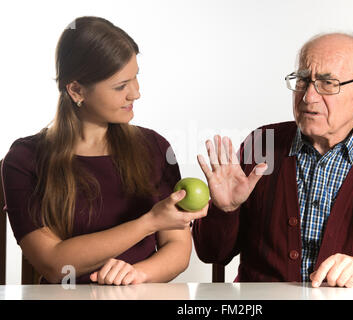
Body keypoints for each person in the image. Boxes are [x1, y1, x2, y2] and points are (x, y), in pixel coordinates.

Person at [193, 32, 353, 287]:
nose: (309, 97)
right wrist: (225, 210)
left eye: (328, 83)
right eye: (302, 80)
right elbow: (212, 253)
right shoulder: (261, 145)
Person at [1, 16, 207, 285]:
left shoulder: (154, 147)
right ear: (76, 90)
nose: (136, 93)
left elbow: (177, 249)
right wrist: (148, 222)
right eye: (121, 85)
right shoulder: (24, 159)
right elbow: (53, 263)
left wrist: (138, 274)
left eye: (135, 78)